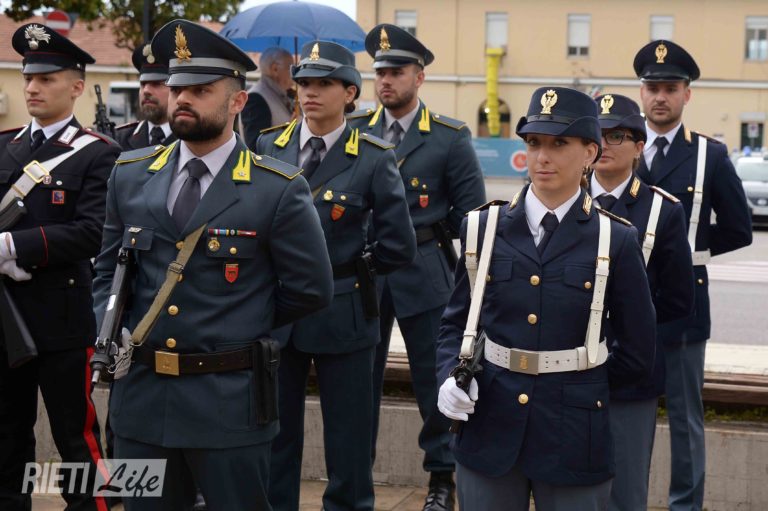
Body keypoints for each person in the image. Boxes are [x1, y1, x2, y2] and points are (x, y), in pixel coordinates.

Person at [92, 19, 333, 510]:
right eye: (178, 88)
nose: (183, 99)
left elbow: (311, 288)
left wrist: (241, 320)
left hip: (228, 403)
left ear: (237, 101)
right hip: (142, 403)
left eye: (201, 91)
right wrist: (109, 329)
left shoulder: (277, 188)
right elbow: (106, 272)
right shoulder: (130, 176)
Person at [436, 86, 657, 511]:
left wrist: (584, 388)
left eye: (559, 144)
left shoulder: (614, 239)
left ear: (590, 152)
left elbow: (637, 350)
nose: (542, 157)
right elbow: (456, 322)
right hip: (490, 422)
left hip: (574, 433)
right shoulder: (483, 228)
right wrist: (448, 375)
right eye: (534, 142)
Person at [257, 40, 416, 511]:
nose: (310, 92)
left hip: (343, 311)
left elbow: (399, 245)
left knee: (349, 440)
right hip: (280, 313)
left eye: (324, 83)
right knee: (275, 435)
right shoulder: (269, 145)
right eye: (304, 82)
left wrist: (356, 272)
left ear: (349, 93)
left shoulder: (373, 155)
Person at [348, 24, 486, 510]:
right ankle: (355, 478)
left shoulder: (448, 137)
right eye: (380, 72)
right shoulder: (355, 131)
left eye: (397, 72)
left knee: (436, 378)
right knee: (358, 380)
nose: (386, 81)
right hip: (364, 269)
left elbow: (472, 216)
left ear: (419, 77)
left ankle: (442, 480)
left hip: (424, 267)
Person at [0, 23, 121, 510]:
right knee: (6, 434)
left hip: (62, 320)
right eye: (29, 77)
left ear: (75, 87)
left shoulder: (97, 153)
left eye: (46, 79)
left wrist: (12, 246)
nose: (32, 87)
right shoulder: (4, 144)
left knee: (76, 437)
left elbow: (93, 232)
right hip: (5, 315)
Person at [633, 40, 753, 511]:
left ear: (687, 94)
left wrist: (685, 255)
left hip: (684, 305)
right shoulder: (618, 147)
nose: (660, 97)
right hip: (621, 301)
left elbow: (739, 228)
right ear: (641, 93)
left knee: (684, 417)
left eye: (670, 88)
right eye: (653, 88)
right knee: (626, 414)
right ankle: (626, 500)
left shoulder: (709, 155)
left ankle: (685, 505)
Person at [590, 93, 695, 510]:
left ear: (639, 147)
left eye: (617, 135)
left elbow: (677, 300)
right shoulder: (561, 200)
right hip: (563, 369)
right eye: (597, 135)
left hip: (629, 375)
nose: (605, 144)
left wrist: (633, 335)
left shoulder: (661, 211)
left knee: (625, 489)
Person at [115, 44, 175, 150]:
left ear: (176, 89)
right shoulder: (119, 140)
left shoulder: (190, 141)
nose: (146, 91)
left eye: (156, 84)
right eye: (143, 84)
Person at [242, 47, 295, 149]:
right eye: (290, 69)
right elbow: (256, 146)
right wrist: (290, 129)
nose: (293, 74)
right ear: (275, 69)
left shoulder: (280, 93)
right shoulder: (256, 98)